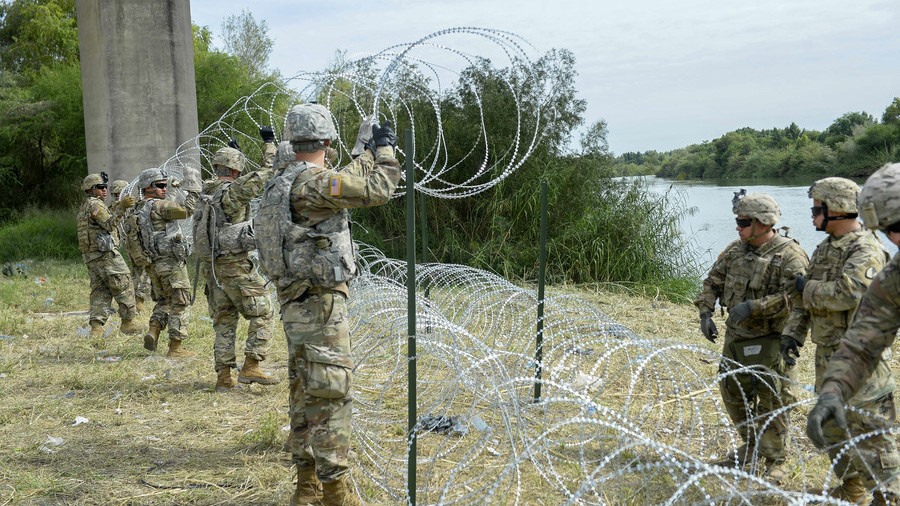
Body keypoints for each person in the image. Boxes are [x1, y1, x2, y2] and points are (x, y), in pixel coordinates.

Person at [254, 104, 399, 506]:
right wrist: (384, 152)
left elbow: (341, 182)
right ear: (327, 141)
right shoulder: (313, 184)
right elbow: (375, 190)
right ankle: (336, 491)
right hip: (320, 305)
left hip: (294, 303)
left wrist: (362, 153)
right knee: (332, 392)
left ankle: (306, 486)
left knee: (304, 391)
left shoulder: (281, 180)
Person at [694, 191, 809, 482]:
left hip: (771, 338)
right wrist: (705, 312)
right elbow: (713, 281)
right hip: (736, 338)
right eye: (737, 220)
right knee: (733, 393)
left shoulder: (789, 255)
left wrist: (754, 307)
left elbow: (797, 299)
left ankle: (776, 461)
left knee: (772, 398)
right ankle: (752, 446)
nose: (738, 226)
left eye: (744, 222)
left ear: (763, 222)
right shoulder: (735, 250)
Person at [806, 164, 900, 505]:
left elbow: (846, 293)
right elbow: (865, 337)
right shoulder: (894, 275)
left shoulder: (866, 251)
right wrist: (833, 391)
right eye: (888, 230)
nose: (895, 239)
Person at [195, 127, 278, 391]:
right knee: (264, 311)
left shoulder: (205, 191)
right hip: (235, 266)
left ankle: (223, 377)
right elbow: (270, 170)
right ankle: (252, 365)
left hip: (212, 267)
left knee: (224, 320)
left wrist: (237, 154)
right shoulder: (234, 192)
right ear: (236, 171)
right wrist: (269, 143)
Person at [126, 167, 201, 357]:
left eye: (164, 185)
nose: (164, 189)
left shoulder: (138, 208)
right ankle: (175, 347)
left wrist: (174, 191)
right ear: (148, 187)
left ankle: (154, 330)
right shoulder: (159, 206)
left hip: (152, 265)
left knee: (163, 301)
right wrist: (192, 186)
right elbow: (186, 210)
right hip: (171, 264)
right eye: (160, 186)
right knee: (180, 302)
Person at [77, 173, 142, 339]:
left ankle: (96, 328)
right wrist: (122, 207)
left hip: (91, 257)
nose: (104, 190)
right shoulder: (95, 205)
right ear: (91, 190)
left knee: (101, 290)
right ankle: (128, 323)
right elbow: (109, 223)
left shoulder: (86, 206)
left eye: (105, 187)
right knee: (124, 283)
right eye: (100, 188)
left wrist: (118, 206)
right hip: (105, 255)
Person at [109, 179, 151, 312]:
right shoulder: (120, 207)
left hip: (133, 243)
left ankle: (134, 299)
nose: (119, 196)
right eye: (117, 194)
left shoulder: (119, 207)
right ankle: (139, 299)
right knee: (146, 270)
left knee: (137, 271)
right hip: (135, 244)